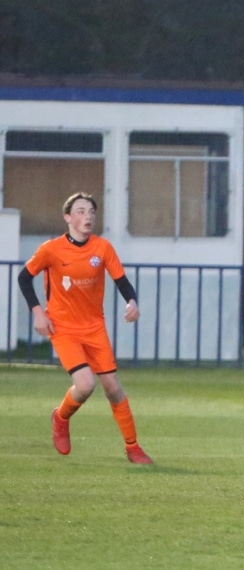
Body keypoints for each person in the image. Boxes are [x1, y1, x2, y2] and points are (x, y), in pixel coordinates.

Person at [17, 192, 153, 465]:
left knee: (113, 388)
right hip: (63, 328)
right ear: (67, 217)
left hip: (94, 328)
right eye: (80, 211)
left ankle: (133, 448)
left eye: (91, 211)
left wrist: (132, 302)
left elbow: (122, 281)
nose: (87, 216)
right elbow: (24, 277)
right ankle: (61, 417)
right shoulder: (51, 249)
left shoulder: (102, 248)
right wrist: (38, 312)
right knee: (86, 384)